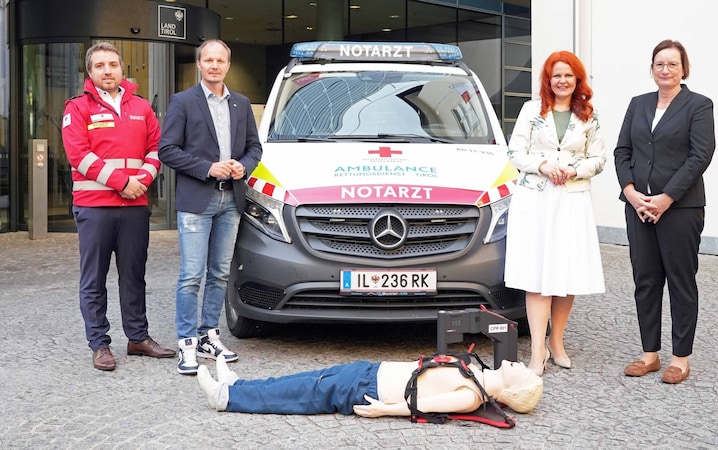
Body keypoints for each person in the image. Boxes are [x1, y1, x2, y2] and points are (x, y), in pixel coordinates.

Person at [61, 42, 175, 371]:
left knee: (133, 276)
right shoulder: (77, 108)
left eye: (113, 64)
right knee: (94, 279)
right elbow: (79, 156)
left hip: (135, 207)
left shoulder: (141, 106)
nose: (107, 70)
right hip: (95, 207)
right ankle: (99, 344)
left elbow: (157, 148)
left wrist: (142, 178)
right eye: (100, 66)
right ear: (90, 72)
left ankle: (138, 338)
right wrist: (123, 182)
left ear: (122, 69)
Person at [614, 39, 715, 384]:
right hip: (638, 207)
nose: (665, 70)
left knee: (680, 281)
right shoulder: (638, 104)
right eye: (659, 64)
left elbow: (699, 157)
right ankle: (649, 354)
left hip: (680, 209)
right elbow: (622, 152)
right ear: (651, 68)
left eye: (672, 64)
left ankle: (680, 358)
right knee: (645, 280)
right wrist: (631, 193)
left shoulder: (699, 106)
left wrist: (665, 198)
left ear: (683, 69)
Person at [159, 39, 263, 375]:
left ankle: (208, 334)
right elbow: (167, 150)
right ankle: (186, 341)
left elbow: (254, 148)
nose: (214, 65)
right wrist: (208, 167)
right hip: (197, 200)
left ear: (228, 65)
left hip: (230, 200)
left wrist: (243, 166)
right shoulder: (183, 102)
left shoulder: (241, 104)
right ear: (199, 64)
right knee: (191, 275)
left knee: (219, 273)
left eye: (220, 60)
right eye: (208, 60)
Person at [504, 51, 606, 376]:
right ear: (547, 79)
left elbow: (599, 158)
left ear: (578, 80)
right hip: (535, 199)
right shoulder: (530, 110)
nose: (562, 81)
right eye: (556, 75)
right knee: (536, 274)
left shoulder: (589, 115)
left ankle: (556, 341)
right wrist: (544, 165)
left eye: (568, 75)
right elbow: (514, 151)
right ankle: (536, 351)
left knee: (567, 271)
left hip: (572, 200)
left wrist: (573, 170)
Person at [196, 354, 543, 418]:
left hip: (367, 389)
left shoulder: (470, 396)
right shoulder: (476, 373)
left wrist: (382, 410)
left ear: (511, 393)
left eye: (524, 373)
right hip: (371, 371)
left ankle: (226, 398)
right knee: (304, 380)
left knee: (302, 393)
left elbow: (419, 405)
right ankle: (237, 383)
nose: (521, 366)